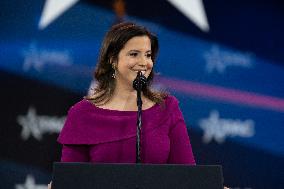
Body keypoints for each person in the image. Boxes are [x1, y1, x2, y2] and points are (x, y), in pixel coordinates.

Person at [48, 22, 196, 188]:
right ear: (112, 59)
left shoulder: (166, 108)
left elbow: (188, 177)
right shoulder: (82, 114)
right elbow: (72, 180)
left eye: (148, 55)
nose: (144, 62)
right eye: (134, 54)